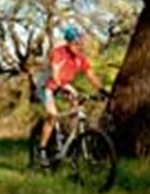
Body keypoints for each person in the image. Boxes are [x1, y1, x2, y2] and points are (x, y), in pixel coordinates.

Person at [36, 25, 109, 166]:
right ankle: (42, 150)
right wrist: (64, 87)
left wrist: (102, 90)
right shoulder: (58, 53)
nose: (79, 46)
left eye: (80, 43)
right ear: (68, 43)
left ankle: (69, 140)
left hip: (63, 84)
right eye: (75, 43)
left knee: (78, 108)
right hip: (47, 86)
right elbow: (55, 75)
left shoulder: (80, 58)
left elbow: (91, 75)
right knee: (52, 115)